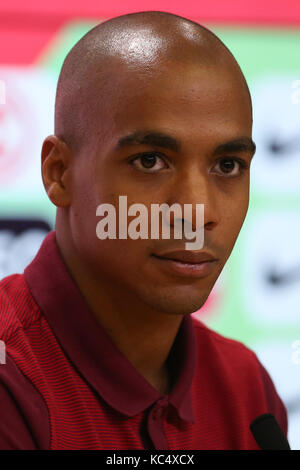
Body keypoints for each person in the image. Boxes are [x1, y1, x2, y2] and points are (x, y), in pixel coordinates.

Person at [0, 10, 288, 450]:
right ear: (59, 173)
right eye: (150, 161)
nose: (197, 211)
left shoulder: (246, 384)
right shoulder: (11, 376)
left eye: (227, 166)